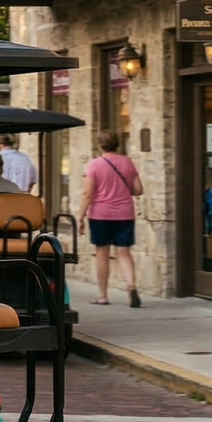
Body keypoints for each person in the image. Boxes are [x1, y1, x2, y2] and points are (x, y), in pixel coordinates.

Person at [80, 130, 143, 308]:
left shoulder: (94, 165)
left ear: (100, 145)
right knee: (124, 252)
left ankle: (102, 295)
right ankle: (131, 286)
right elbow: (138, 189)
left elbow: (87, 193)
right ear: (118, 144)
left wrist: (80, 216)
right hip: (125, 213)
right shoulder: (127, 162)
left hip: (101, 214)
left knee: (102, 253)